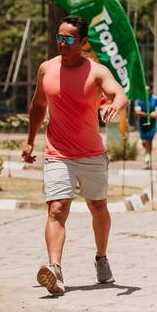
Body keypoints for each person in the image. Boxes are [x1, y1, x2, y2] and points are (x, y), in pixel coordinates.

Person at [22, 16, 128, 296]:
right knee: (57, 209)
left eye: (69, 39)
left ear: (82, 42)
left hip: (91, 153)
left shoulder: (96, 72)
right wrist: (30, 141)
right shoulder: (46, 69)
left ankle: (101, 257)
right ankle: (55, 270)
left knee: (98, 207)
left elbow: (119, 94)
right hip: (57, 152)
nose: (62, 43)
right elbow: (37, 106)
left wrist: (115, 105)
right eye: (59, 37)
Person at [134, 85, 157, 169]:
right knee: (144, 142)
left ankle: (147, 158)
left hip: (152, 124)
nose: (146, 91)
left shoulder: (155, 99)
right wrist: (148, 114)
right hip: (142, 123)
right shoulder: (139, 100)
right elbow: (137, 111)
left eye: (148, 90)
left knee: (149, 140)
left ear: (150, 91)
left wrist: (153, 114)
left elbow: (156, 112)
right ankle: (147, 151)